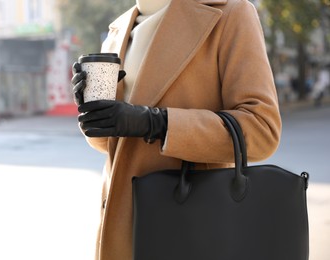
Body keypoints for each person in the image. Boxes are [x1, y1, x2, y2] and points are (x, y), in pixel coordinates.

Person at [71, 0, 282, 259]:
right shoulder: (118, 30)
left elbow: (262, 129)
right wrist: (96, 116)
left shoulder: (230, 13)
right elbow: (115, 148)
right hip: (123, 226)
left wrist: (157, 123)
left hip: (190, 225)